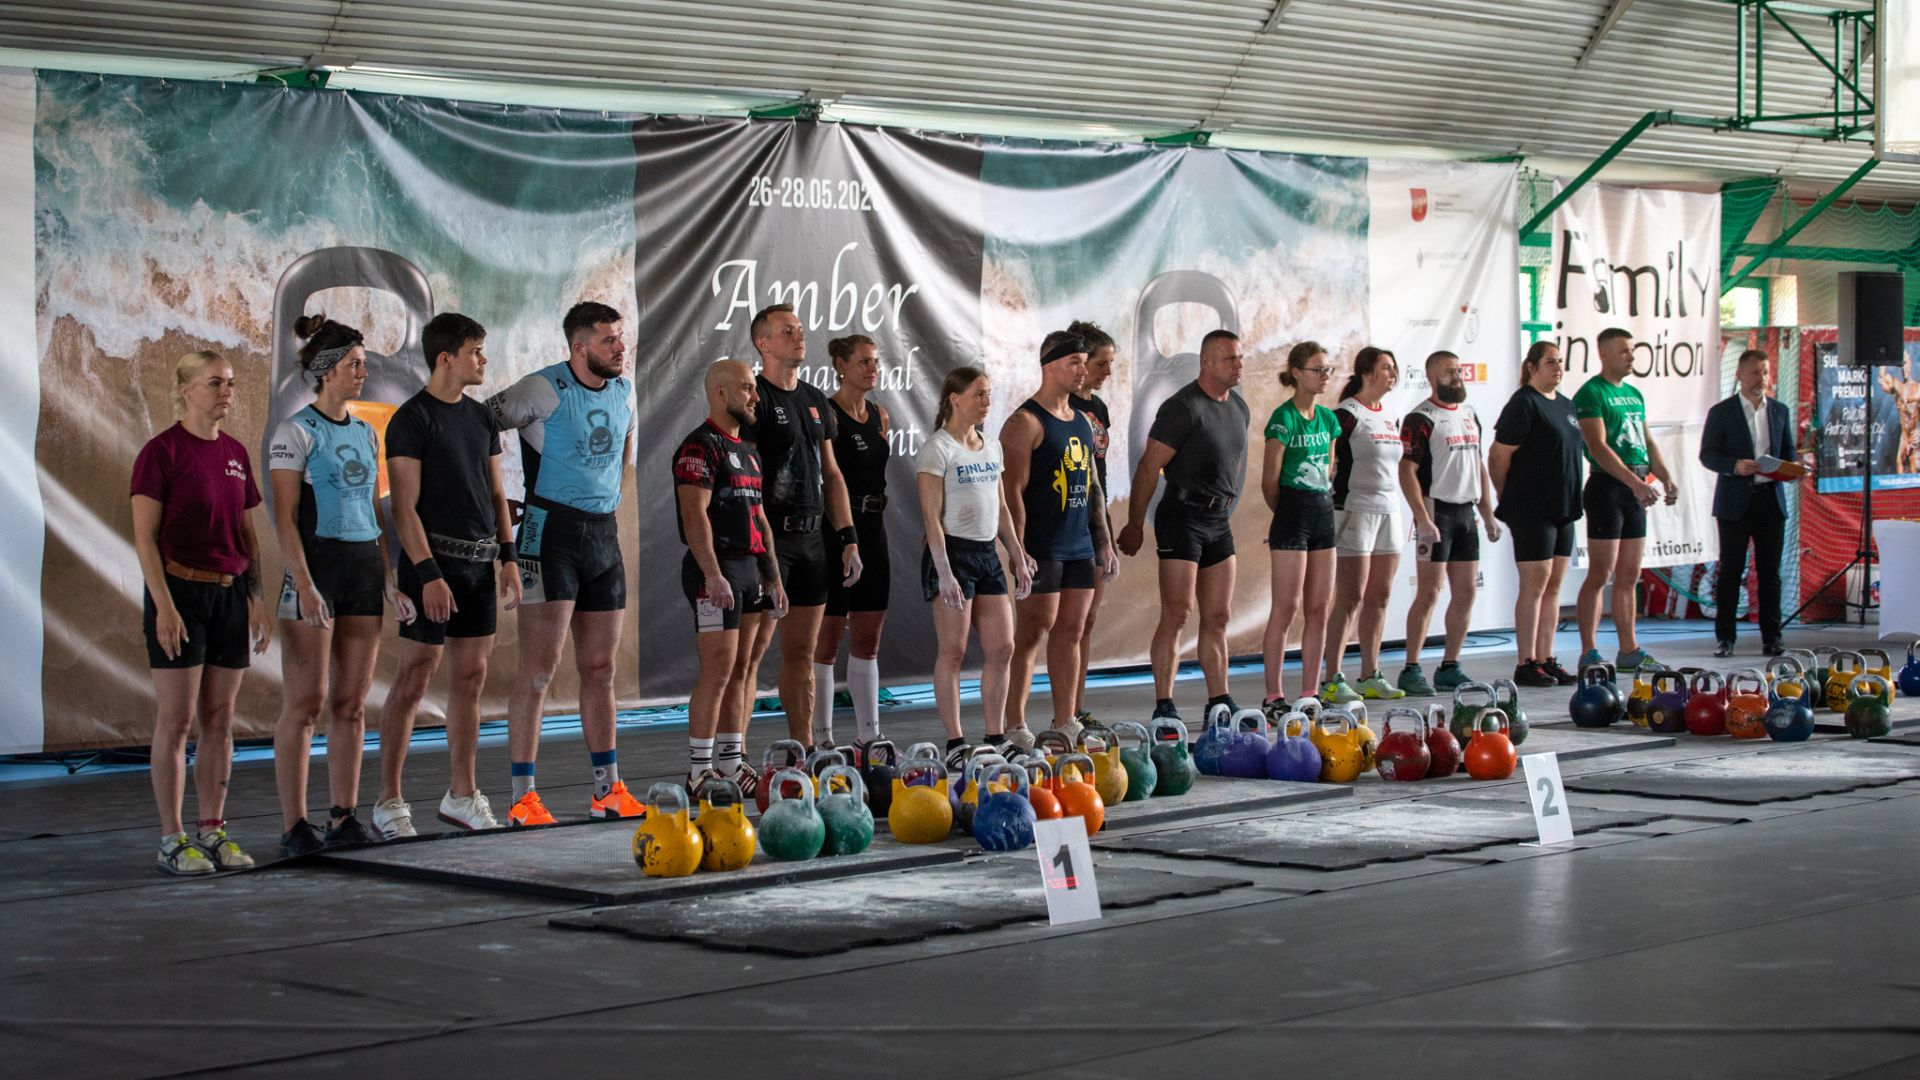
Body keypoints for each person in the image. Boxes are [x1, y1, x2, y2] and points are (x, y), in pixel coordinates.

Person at [489, 301, 639, 826]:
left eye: (621, 338)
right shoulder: (542, 389)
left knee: (601, 669)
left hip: (602, 536)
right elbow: (480, 424)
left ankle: (607, 789)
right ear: (579, 348)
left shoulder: (623, 388)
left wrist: (610, 495)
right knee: (539, 671)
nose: (621, 347)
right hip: (547, 536)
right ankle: (522, 796)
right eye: (608, 341)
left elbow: (623, 445)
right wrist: (495, 499)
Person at [373, 313, 520, 837]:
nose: (482, 360)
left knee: (471, 679)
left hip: (480, 564)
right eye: (475, 352)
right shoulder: (411, 419)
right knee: (414, 676)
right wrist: (428, 573)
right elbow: (403, 509)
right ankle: (388, 800)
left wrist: (508, 557)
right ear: (446, 358)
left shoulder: (482, 419)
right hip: (430, 565)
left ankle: (462, 793)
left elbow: (498, 495)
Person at [269, 315, 408, 854]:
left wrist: (390, 581)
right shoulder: (296, 432)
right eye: (354, 365)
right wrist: (303, 585)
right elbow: (285, 520)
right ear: (326, 372)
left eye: (364, 364)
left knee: (350, 704)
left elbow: (372, 512)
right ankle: (293, 824)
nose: (363, 372)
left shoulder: (365, 432)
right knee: (306, 702)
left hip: (362, 574)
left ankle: (343, 816)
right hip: (316, 574)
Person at [131, 350, 273, 874]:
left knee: (220, 717)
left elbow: (246, 532)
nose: (226, 391)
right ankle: (172, 838)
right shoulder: (161, 452)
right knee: (178, 718)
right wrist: (165, 606)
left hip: (230, 594)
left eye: (230, 383)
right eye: (215, 383)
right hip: (179, 593)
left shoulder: (235, 452)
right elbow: (145, 539)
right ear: (187, 389)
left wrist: (255, 597)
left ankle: (213, 830)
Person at [742, 304, 863, 767]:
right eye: (786, 331)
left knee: (802, 652)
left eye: (800, 329)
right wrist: (760, 544)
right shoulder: (755, 399)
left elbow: (831, 474)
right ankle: (736, 755)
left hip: (813, 540)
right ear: (763, 343)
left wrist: (848, 535)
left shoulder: (815, 400)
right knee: (750, 656)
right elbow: (745, 480)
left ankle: (804, 749)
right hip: (769, 540)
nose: (798, 336)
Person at [1116, 329, 1249, 723]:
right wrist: (1135, 524)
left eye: (1239, 358)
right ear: (1206, 363)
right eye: (1230, 359)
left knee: (1219, 616)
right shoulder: (1182, 407)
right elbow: (1148, 466)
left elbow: (1231, 464)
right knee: (1177, 612)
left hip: (1217, 519)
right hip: (1182, 517)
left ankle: (1219, 698)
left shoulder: (1239, 407)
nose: (1238, 365)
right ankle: (1164, 704)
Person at [1002, 331, 1118, 747]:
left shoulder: (1084, 421)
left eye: (1085, 363)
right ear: (1050, 364)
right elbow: (1010, 491)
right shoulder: (1024, 422)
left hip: (1079, 544)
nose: (1083, 371)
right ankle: (1014, 722)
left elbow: (1092, 484)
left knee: (1071, 631)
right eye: (1075, 363)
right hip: (1043, 545)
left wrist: (1103, 541)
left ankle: (1066, 719)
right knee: (1032, 632)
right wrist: (1018, 552)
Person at [677, 360, 787, 791]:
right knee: (719, 668)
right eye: (747, 388)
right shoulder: (699, 447)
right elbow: (694, 516)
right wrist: (712, 574)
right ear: (721, 392)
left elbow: (759, 517)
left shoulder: (750, 450)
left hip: (752, 570)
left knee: (745, 667)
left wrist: (774, 578)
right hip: (716, 569)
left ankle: (729, 762)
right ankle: (698, 770)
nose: (756, 396)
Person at [919, 367, 1033, 767]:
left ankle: (996, 736)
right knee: (954, 650)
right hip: (952, 554)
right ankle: (955, 743)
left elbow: (1000, 507)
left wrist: (1016, 553)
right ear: (955, 398)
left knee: (1003, 647)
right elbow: (931, 518)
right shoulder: (938, 449)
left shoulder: (991, 446)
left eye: (989, 394)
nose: (987, 402)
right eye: (979, 395)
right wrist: (945, 571)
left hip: (987, 555)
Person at [1574, 327, 1678, 674]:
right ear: (1603, 353)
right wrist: (1635, 483)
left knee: (1630, 574)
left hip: (1635, 485)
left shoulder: (1634, 394)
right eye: (1624, 352)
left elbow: (1646, 440)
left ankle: (1629, 649)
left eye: (1632, 351)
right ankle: (1589, 650)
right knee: (1600, 572)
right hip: (1608, 487)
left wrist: (1665, 476)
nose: (1631, 358)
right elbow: (1599, 447)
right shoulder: (1591, 393)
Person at [1395, 350, 1500, 696]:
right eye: (1449, 373)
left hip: (1465, 512)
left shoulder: (1470, 414)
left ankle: (1450, 665)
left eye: (1459, 371)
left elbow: (1479, 466)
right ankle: (1411, 668)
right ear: (1432, 378)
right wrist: (1421, 517)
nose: (1457, 377)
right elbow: (1406, 470)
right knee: (1429, 592)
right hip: (1436, 509)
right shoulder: (1421, 418)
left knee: (1467, 592)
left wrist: (1488, 514)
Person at [1489, 341, 1583, 688]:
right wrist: (1506, 494)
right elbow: (1498, 456)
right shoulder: (1523, 404)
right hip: (1532, 508)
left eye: (1560, 362)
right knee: (1535, 585)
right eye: (1550, 362)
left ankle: (1546, 657)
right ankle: (1525, 661)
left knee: (1555, 585)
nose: (1557, 368)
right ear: (1531, 367)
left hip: (1564, 507)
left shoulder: (1566, 405)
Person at [813, 335, 890, 751]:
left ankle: (868, 736)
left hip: (874, 530)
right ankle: (822, 740)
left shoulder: (880, 415)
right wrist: (844, 537)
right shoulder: (827, 413)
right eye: (863, 362)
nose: (871, 369)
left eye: (875, 362)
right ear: (840, 365)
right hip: (836, 532)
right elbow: (827, 480)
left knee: (868, 639)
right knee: (826, 641)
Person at [1320, 347, 1408, 702]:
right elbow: (1325, 462)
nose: (1393, 374)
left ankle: (1370, 674)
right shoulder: (1345, 414)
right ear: (1367, 374)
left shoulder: (1390, 415)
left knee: (1380, 596)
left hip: (1390, 510)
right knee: (1350, 597)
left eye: (1394, 367)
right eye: (1386, 368)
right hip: (1354, 508)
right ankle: (1332, 678)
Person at [1260, 342, 1341, 713]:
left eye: (1328, 369)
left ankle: (1310, 692)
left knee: (1320, 607)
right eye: (1317, 369)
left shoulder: (1328, 419)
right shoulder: (1283, 418)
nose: (1325, 375)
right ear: (1296, 372)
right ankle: (1274, 695)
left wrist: (1318, 501)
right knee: (1286, 607)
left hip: (1324, 513)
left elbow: (1330, 469)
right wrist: (1288, 512)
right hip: (1292, 512)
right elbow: (1269, 482)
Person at [1701, 348, 1798, 657]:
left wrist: (1793, 471)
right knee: (1731, 571)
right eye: (1756, 372)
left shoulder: (1780, 411)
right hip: (1734, 502)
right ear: (1739, 374)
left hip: (1771, 499)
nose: (1762, 378)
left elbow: (1789, 455)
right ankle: (1725, 638)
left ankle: (1773, 638)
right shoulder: (1722, 412)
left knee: (1770, 573)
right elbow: (1708, 454)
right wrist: (1734, 466)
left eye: (1766, 372)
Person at [1065, 319, 1115, 729]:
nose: (1106, 373)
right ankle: (1059, 711)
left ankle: (1077, 709)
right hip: (1065, 518)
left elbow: (1101, 472)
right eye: (1101, 363)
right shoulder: (1063, 407)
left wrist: (1107, 533)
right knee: (1064, 623)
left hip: (1095, 516)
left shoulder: (1098, 408)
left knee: (1089, 620)